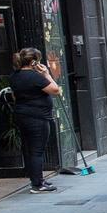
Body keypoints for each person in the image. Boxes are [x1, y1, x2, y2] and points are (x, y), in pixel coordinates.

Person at [10, 47, 62, 193]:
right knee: (37, 151)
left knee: (30, 149)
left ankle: (36, 180)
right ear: (33, 62)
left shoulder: (15, 76)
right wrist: (46, 74)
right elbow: (55, 90)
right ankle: (38, 184)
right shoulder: (35, 77)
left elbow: (15, 95)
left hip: (22, 115)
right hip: (37, 117)